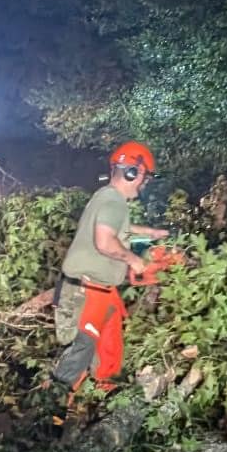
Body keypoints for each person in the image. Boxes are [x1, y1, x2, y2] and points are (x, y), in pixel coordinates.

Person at [51, 141, 170, 394]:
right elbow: (105, 241)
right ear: (132, 173)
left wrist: (151, 233)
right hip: (87, 292)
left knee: (109, 351)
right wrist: (133, 259)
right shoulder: (114, 201)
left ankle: (101, 399)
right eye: (144, 177)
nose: (144, 183)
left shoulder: (106, 197)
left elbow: (117, 227)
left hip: (102, 291)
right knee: (79, 354)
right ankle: (53, 411)